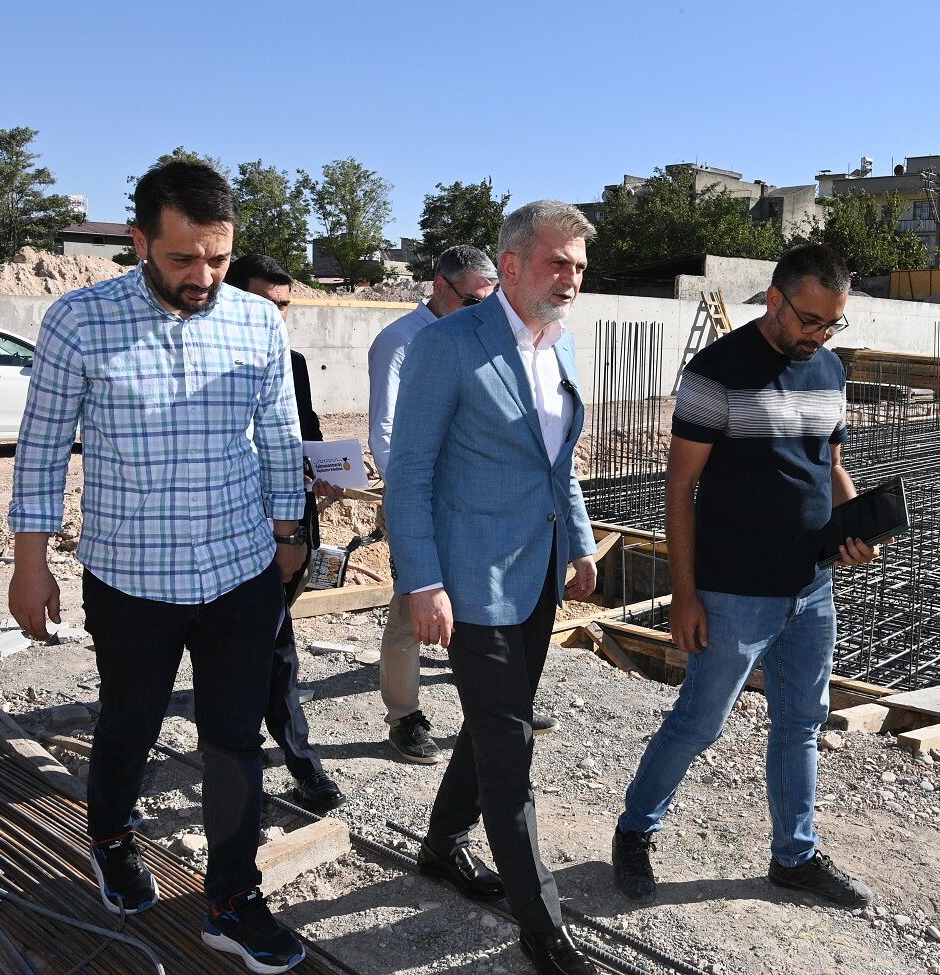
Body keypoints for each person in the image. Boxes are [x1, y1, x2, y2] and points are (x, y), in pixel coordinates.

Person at [8, 161, 307, 974]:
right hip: (131, 578)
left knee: (234, 739)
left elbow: (280, 432)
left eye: (218, 257)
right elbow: (41, 450)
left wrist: (289, 532)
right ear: (140, 242)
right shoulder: (79, 321)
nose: (203, 276)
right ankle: (111, 836)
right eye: (183, 258)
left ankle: (232, 899)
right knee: (130, 721)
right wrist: (31, 563)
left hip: (239, 570)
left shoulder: (257, 321)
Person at [611, 244, 884, 912]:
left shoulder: (829, 370)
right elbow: (680, 487)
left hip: (810, 586)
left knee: (801, 722)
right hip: (733, 591)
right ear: (775, 299)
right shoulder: (717, 371)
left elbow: (830, 465)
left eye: (833, 323)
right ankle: (635, 829)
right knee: (700, 721)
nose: (820, 335)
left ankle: (794, 856)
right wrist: (686, 593)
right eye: (811, 320)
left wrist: (857, 525)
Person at [385, 201, 599, 975]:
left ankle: (443, 843)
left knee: (490, 723)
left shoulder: (559, 342)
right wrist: (424, 581)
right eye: (557, 262)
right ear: (511, 264)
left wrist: (580, 543)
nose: (570, 278)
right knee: (510, 749)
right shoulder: (447, 345)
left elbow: (556, 462)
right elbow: (408, 474)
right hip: (470, 581)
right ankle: (542, 927)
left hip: (537, 574)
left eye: (579, 266)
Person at [223, 253, 345, 813]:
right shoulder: (204, 361)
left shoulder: (291, 363)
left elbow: (307, 437)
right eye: (265, 304)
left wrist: (325, 473)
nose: (277, 317)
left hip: (286, 532)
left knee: (276, 650)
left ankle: (300, 765)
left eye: (285, 306)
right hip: (223, 533)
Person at [368, 245, 498, 763]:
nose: (484, 311)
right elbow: (384, 430)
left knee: (480, 602)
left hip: (471, 497)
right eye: (473, 300)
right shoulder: (400, 341)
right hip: (420, 498)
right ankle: (404, 716)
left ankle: (495, 704)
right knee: (410, 609)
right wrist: (405, 499)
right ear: (440, 287)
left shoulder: (480, 334)